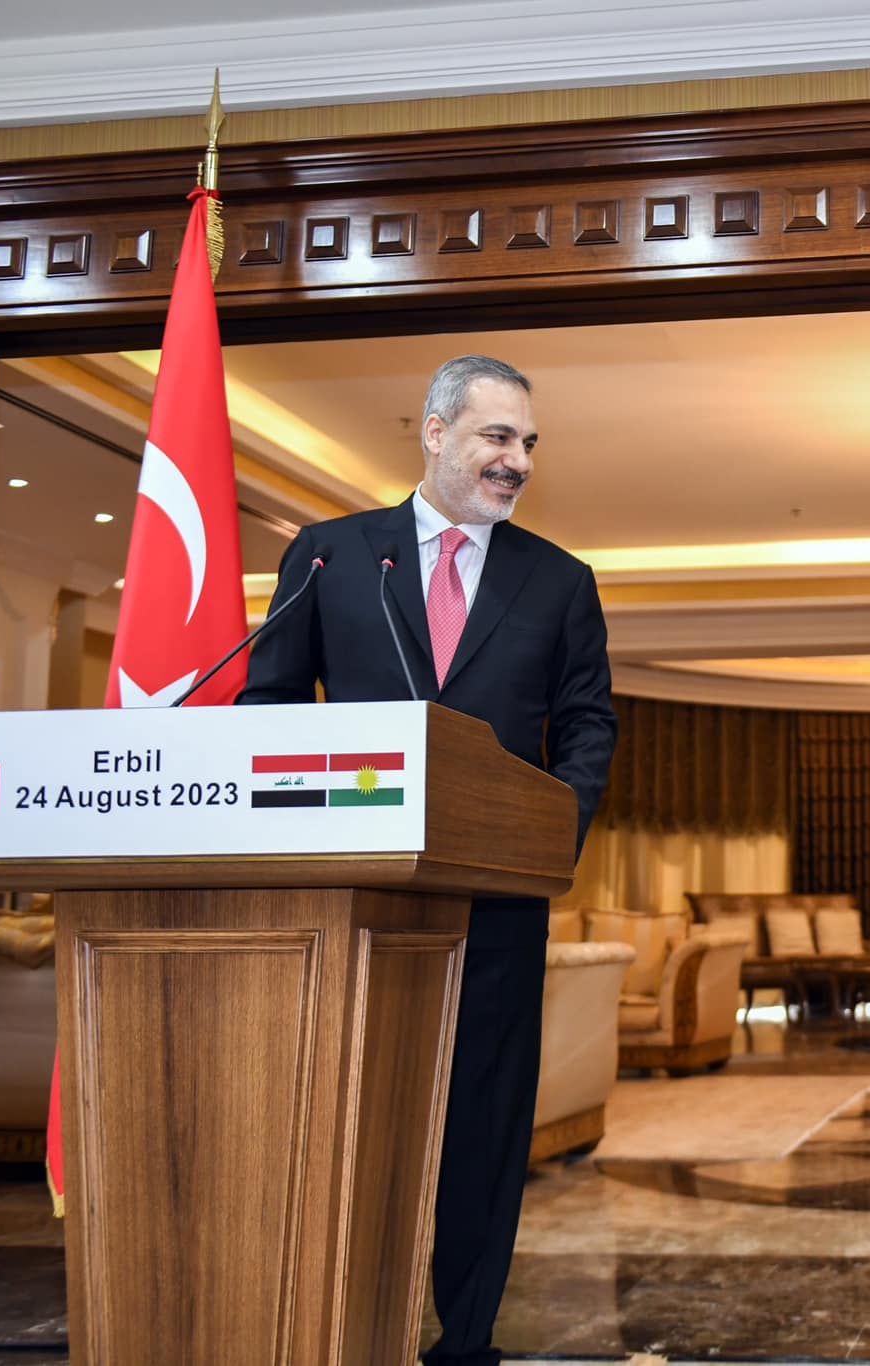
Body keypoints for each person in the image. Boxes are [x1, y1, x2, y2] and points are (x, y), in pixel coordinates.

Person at [239, 354, 617, 1366]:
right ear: (437, 432)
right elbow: (266, 709)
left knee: (483, 1127)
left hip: (497, 900)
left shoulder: (559, 580)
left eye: (529, 442)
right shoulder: (331, 555)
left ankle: (467, 1339)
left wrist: (547, 835)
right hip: (352, 896)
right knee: (352, 1111)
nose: (517, 460)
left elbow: (586, 729)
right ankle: (330, 1316)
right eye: (498, 436)